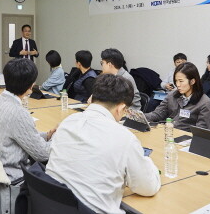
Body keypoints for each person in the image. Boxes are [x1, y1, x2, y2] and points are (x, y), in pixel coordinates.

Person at [46, 74, 161, 213]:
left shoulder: (68, 122)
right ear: (121, 108)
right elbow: (148, 187)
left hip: (52, 206)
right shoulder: (124, 138)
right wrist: (148, 162)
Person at [0, 59, 55, 181]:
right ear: (30, 87)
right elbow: (42, 154)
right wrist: (57, 139)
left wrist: (46, 135)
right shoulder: (18, 113)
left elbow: (23, 136)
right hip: (12, 176)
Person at [145, 62, 210, 131]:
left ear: (192, 81)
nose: (177, 85)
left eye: (181, 81)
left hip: (186, 139)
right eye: (176, 81)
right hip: (168, 133)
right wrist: (140, 117)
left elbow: (201, 132)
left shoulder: (204, 103)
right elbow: (158, 114)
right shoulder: (172, 95)